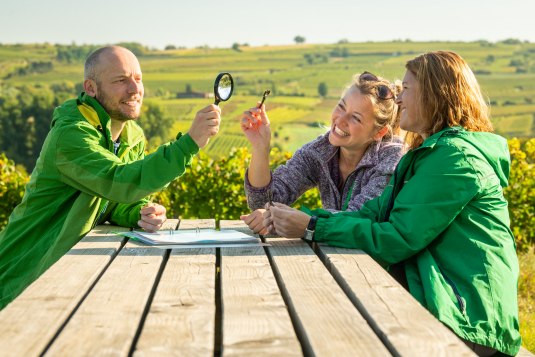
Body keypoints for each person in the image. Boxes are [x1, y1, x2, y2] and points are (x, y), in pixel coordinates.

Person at [263, 51, 521, 356]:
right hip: (437, 301)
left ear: (436, 95)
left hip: (468, 320)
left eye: (407, 90)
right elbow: (373, 213)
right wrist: (302, 219)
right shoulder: (428, 154)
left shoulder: (455, 158)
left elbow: (398, 237)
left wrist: (311, 227)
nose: (399, 100)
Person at [0, 46, 221, 309]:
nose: (134, 89)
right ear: (91, 88)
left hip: (65, 281)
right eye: (120, 80)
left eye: (138, 79)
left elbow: (114, 201)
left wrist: (138, 212)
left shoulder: (132, 135)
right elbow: (119, 182)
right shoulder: (71, 135)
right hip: (21, 281)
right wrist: (187, 145)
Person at [240, 72, 405, 235]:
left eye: (355, 118)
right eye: (341, 106)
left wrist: (298, 221)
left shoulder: (392, 159)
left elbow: (359, 218)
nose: (340, 121)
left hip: (377, 260)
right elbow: (262, 203)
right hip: (337, 255)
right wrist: (260, 148)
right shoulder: (319, 151)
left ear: (379, 132)